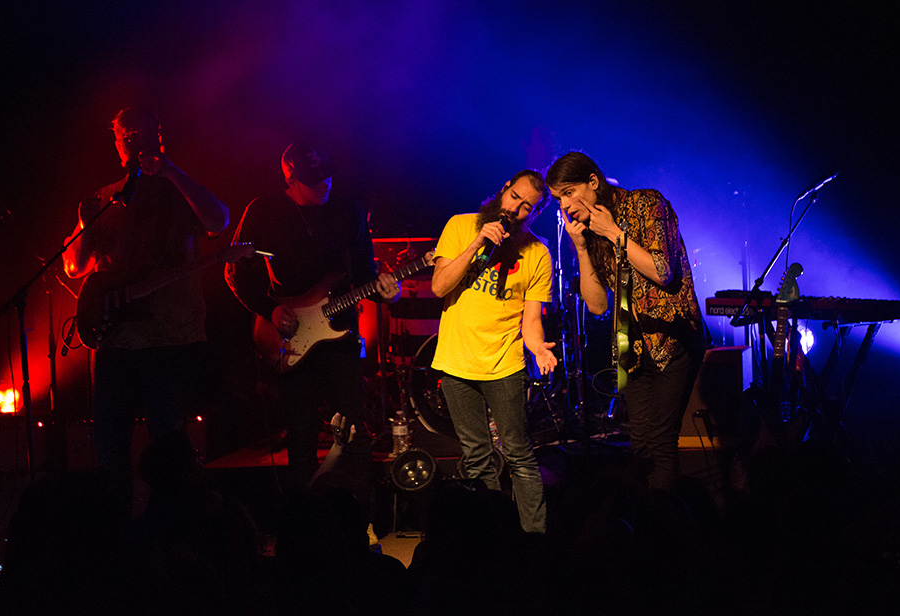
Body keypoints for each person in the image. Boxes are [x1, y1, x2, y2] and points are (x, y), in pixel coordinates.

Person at [63, 106, 229, 511]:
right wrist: (85, 226)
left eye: (141, 134)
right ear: (118, 144)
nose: (133, 143)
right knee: (109, 442)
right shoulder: (105, 198)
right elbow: (74, 267)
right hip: (115, 340)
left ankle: (172, 527)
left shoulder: (179, 189)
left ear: (158, 137)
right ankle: (116, 528)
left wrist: (172, 172)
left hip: (168, 337)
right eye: (126, 136)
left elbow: (218, 220)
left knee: (168, 442)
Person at [224, 139, 400, 516]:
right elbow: (235, 271)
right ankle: (302, 521)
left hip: (340, 334)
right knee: (300, 432)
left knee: (353, 429)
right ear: (289, 176)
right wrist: (268, 310)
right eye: (312, 180)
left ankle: (361, 519)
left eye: (327, 176)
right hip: (289, 334)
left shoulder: (347, 209)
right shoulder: (263, 211)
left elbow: (367, 274)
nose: (324, 185)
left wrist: (387, 292)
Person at [546, 151, 705, 491]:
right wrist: (581, 247)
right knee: (640, 446)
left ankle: (667, 525)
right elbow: (597, 305)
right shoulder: (589, 232)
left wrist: (615, 234)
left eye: (570, 192)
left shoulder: (647, 204)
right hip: (631, 345)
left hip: (671, 337)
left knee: (661, 441)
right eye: (560, 199)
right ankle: (649, 523)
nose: (567, 206)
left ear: (593, 182)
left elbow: (663, 272)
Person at [430, 170, 557, 534]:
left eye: (526, 206)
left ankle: (533, 539)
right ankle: (490, 537)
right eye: (513, 197)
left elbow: (531, 320)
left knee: (518, 453)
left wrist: (538, 349)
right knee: (476, 457)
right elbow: (439, 286)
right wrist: (475, 245)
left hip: (503, 363)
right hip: (457, 361)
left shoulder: (537, 254)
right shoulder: (460, 226)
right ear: (503, 191)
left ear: (533, 214)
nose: (515, 207)